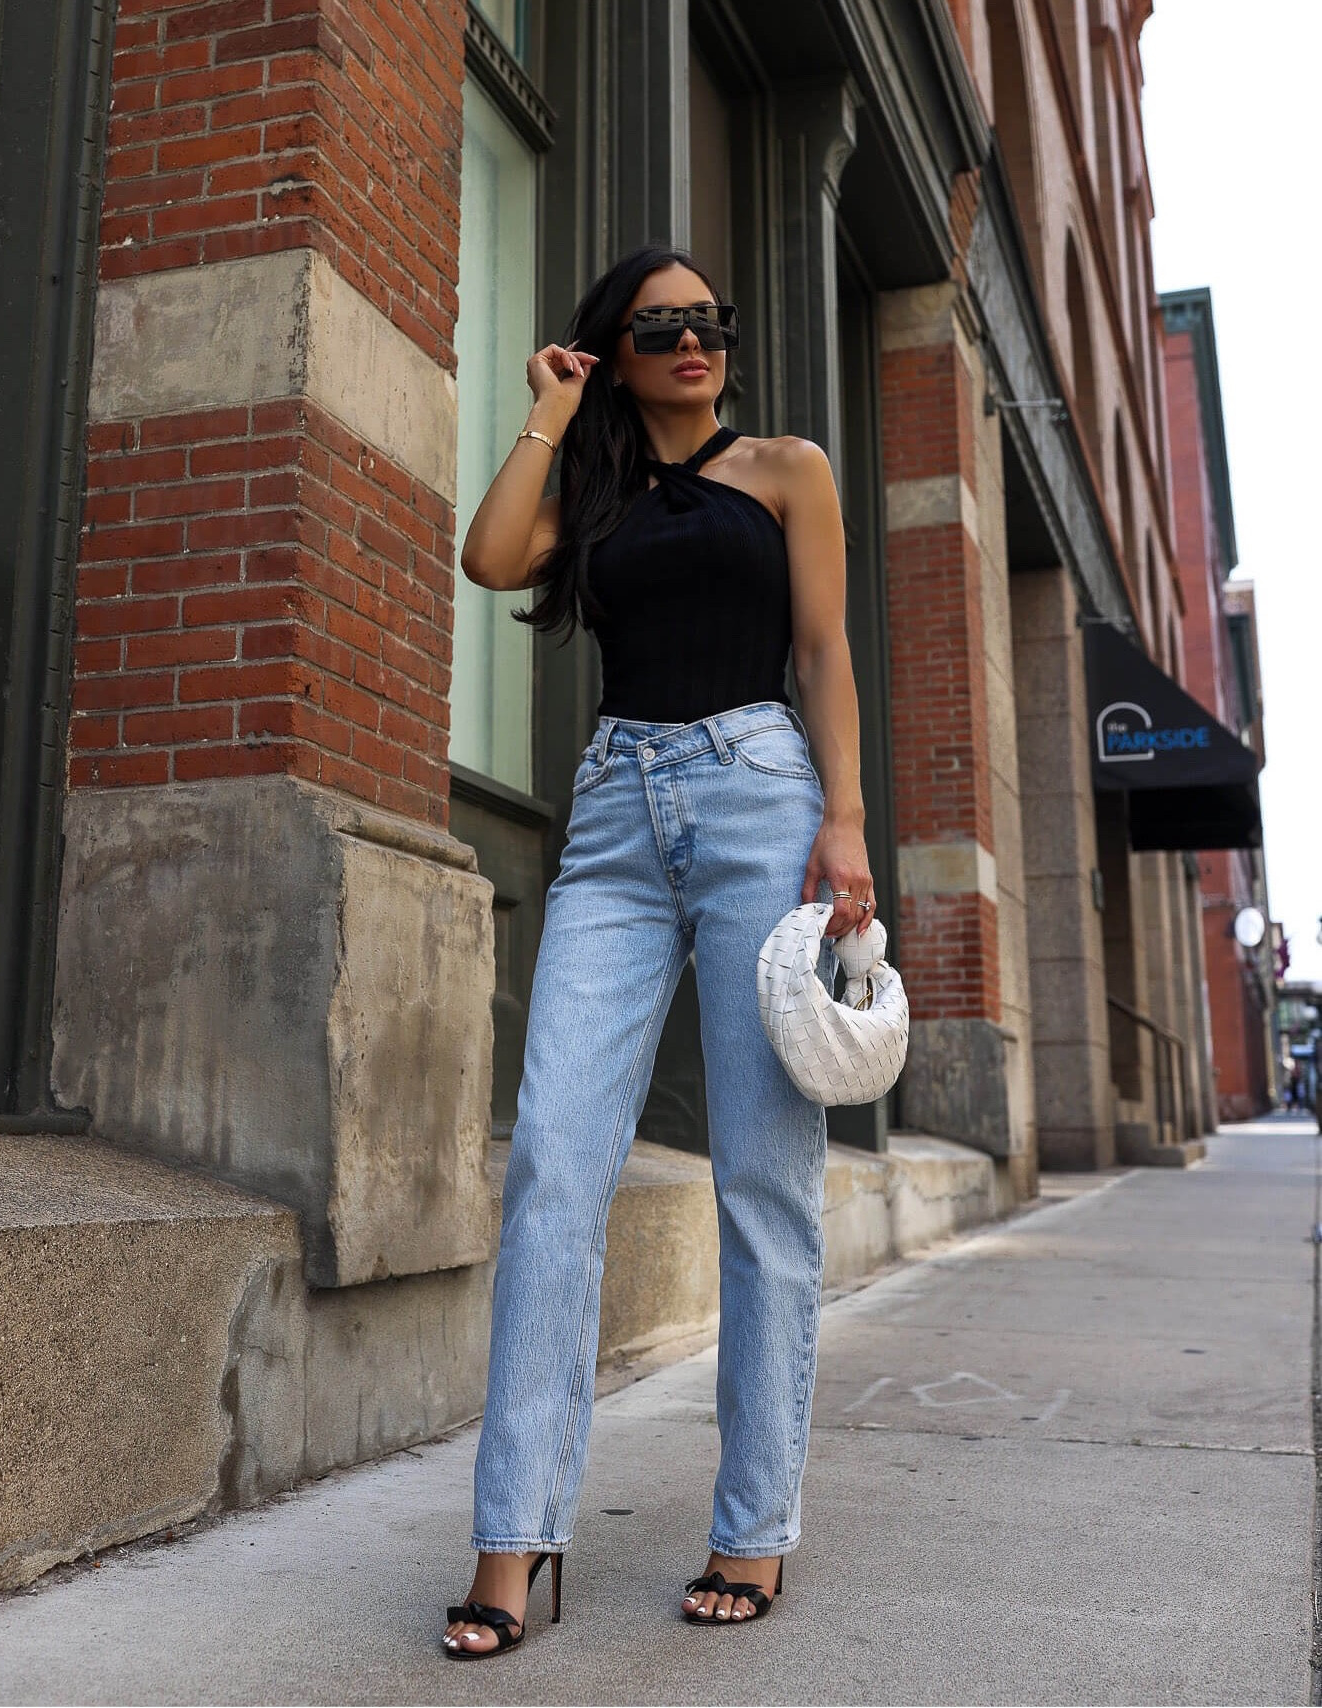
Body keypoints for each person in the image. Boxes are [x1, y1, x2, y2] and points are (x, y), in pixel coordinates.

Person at [441, 245, 875, 1658]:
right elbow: (491, 556)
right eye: (656, 326)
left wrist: (849, 827)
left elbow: (822, 652)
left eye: (707, 321)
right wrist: (548, 414)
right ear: (613, 348)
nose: (691, 341)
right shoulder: (594, 488)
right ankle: (515, 1541)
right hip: (620, 810)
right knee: (554, 1158)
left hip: (762, 794)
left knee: (761, 1173)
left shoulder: (790, 468)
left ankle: (750, 1534)